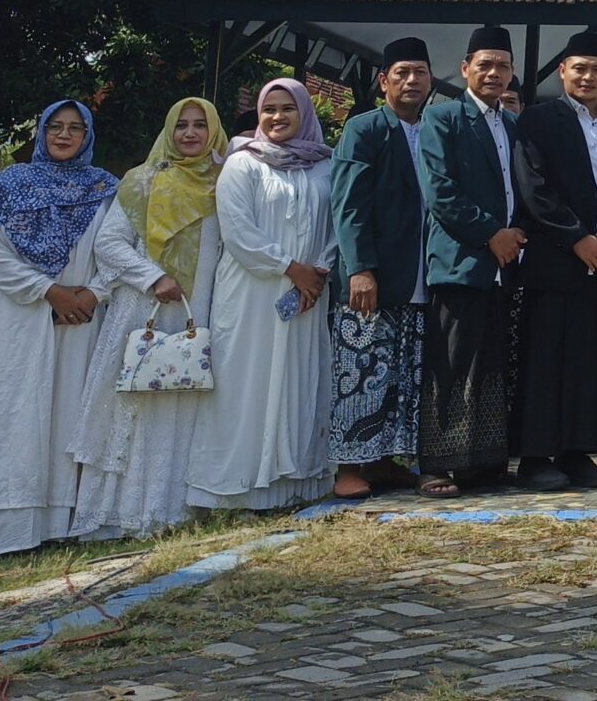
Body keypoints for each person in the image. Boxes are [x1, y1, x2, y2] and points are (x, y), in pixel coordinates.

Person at [0, 100, 119, 557]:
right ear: (41, 132)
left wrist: (90, 293)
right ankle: (6, 527)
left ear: (87, 136)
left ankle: (63, 519)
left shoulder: (107, 188)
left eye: (74, 128)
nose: (64, 136)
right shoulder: (5, 188)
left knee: (71, 409)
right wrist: (49, 291)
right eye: (55, 127)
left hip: (81, 318)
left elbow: (116, 248)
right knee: (14, 410)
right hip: (19, 317)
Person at [68, 99, 226, 536]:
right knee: (133, 405)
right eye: (180, 126)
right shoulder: (142, 181)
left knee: (184, 404)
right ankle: (119, 516)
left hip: (197, 314)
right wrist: (153, 276)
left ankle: (173, 510)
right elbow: (110, 244)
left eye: (199, 126)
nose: (189, 134)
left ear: (213, 132)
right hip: (143, 311)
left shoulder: (224, 183)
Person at [190, 78, 336, 511]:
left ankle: (296, 482)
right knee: (247, 382)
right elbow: (238, 232)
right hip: (252, 290)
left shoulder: (324, 165)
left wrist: (318, 271)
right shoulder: (243, 163)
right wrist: (291, 269)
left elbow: (334, 225)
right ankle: (236, 488)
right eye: (268, 109)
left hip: (310, 292)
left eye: (287, 108)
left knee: (299, 375)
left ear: (305, 113)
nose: (276, 117)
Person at [511, 30, 597, 491]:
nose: (587, 77)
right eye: (579, 68)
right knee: (545, 359)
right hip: (555, 260)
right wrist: (578, 238)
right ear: (563, 70)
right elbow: (533, 188)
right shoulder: (537, 121)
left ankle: (578, 452)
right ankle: (534, 456)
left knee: (592, 359)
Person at [417, 27, 526, 497]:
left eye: (503, 65)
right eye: (485, 64)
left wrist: (517, 234)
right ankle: (437, 463)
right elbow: (441, 192)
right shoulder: (443, 118)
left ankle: (484, 461)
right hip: (461, 261)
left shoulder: (516, 124)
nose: (494, 73)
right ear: (465, 69)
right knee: (452, 360)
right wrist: (492, 234)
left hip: (508, 263)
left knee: (493, 363)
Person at [328, 38, 434, 501]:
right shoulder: (365, 128)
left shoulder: (433, 128)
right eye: (402, 73)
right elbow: (348, 204)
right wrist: (360, 269)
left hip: (420, 273)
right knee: (361, 368)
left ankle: (386, 461)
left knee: (404, 372)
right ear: (384, 80)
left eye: (420, 73)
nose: (412, 82)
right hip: (373, 275)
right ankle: (349, 466)